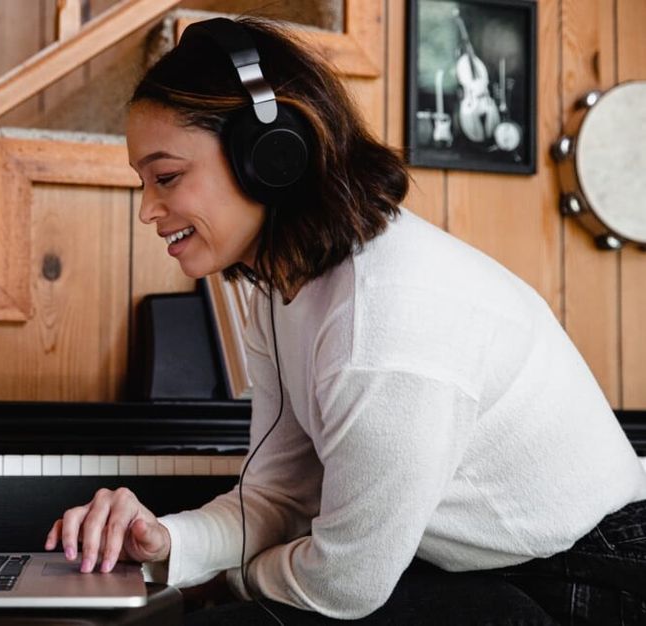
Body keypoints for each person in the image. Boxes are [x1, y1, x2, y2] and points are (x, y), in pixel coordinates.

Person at [44, 17, 646, 625]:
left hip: (591, 577)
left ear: (269, 155)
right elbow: (280, 496)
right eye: (143, 182)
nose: (148, 209)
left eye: (166, 177)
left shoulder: (382, 320)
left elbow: (344, 585)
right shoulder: (280, 290)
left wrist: (228, 581)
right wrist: (168, 544)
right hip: (477, 564)